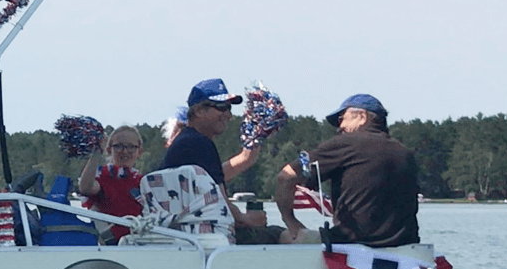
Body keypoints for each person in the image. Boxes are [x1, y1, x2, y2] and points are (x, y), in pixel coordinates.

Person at [274, 94, 419, 247]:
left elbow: (287, 175)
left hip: (351, 244)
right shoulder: (405, 153)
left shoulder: (347, 144)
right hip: (405, 246)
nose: (339, 127)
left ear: (362, 117)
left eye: (342, 118)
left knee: (279, 235)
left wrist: (289, 219)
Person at [163, 78, 286, 245]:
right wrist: (247, 219)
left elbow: (218, 178)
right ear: (199, 111)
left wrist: (254, 139)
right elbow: (223, 207)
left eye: (229, 109)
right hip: (208, 239)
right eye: (222, 108)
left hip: (187, 236)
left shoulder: (185, 142)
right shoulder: (201, 144)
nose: (228, 115)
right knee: (283, 235)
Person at [78, 125, 143, 243]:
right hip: (115, 246)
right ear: (108, 150)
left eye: (131, 147)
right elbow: (86, 188)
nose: (125, 151)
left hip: (144, 242)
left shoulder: (144, 182)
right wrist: (96, 153)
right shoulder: (104, 178)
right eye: (118, 146)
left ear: (139, 151)